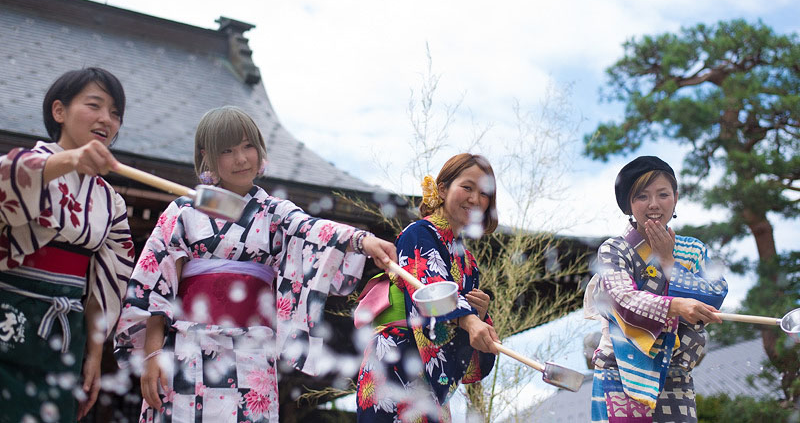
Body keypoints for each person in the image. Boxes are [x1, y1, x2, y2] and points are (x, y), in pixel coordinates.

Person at [114, 105, 397, 423]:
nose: (241, 158)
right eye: (228, 150)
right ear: (207, 155)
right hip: (187, 348)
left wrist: (361, 240)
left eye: (248, 146)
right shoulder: (183, 211)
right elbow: (157, 289)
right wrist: (152, 354)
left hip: (253, 352)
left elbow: (310, 229)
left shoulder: (275, 213)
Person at [0, 67, 134, 422]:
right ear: (59, 111)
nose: (107, 119)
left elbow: (108, 285)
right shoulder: (24, 167)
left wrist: (92, 352)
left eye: (116, 113)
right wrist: (70, 160)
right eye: (95, 105)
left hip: (64, 337)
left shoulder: (112, 203)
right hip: (8, 318)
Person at [355, 153, 499, 423]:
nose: (475, 199)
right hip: (395, 360)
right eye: (467, 187)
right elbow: (429, 290)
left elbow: (466, 354)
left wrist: (480, 318)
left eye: (484, 193)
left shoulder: (469, 263)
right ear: (442, 189)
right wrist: (468, 319)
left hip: (431, 381)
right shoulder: (418, 233)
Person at [584, 156, 728, 423]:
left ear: (675, 197)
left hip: (675, 371)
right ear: (629, 203)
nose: (653, 204)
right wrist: (674, 306)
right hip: (620, 369)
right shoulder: (615, 249)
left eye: (662, 194)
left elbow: (715, 295)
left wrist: (669, 262)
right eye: (642, 196)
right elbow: (623, 300)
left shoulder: (692, 249)